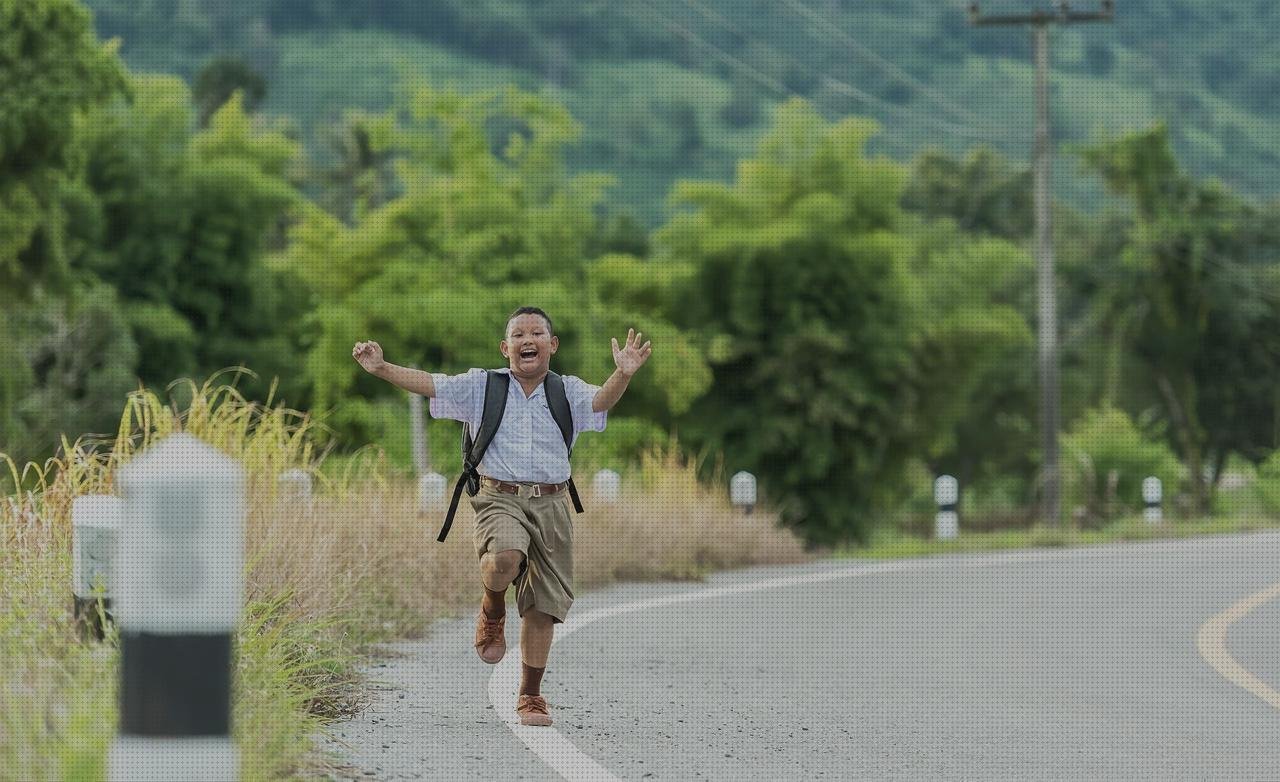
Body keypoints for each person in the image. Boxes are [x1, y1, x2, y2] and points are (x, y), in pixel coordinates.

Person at [351, 306, 652, 726]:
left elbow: (602, 400)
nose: (527, 340)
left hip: (552, 502)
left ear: (552, 345)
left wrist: (623, 373)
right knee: (504, 558)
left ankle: (530, 695)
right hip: (498, 497)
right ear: (505, 346)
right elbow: (431, 384)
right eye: (518, 334)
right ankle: (492, 607)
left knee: (542, 608)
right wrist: (381, 367)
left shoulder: (567, 391)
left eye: (536, 334)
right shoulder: (482, 386)